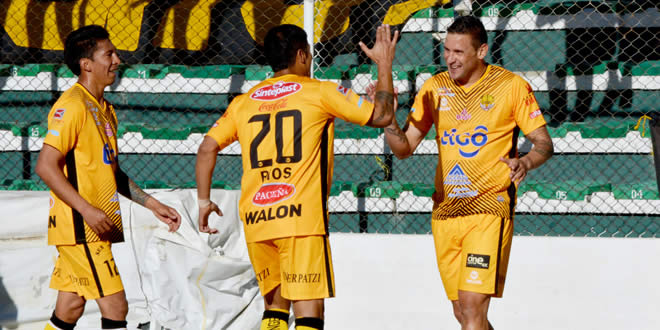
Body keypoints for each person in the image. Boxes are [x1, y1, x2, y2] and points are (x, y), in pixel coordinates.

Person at [195, 24, 397, 330]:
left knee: (274, 310)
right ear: (302, 55)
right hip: (300, 218)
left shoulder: (244, 102)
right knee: (309, 314)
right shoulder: (320, 91)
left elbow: (206, 148)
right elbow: (381, 115)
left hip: (258, 219)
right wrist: (383, 65)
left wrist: (203, 201)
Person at [383, 16, 553, 330]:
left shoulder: (510, 86)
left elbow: (543, 143)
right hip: (446, 212)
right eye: (447, 50)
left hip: (490, 208)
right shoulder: (435, 88)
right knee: (463, 313)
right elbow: (404, 148)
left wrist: (526, 162)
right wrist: (389, 120)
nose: (450, 57)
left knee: (473, 307)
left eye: (459, 52)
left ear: (482, 51)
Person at [36, 25, 181, 330]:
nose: (117, 59)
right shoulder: (72, 105)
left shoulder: (105, 109)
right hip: (81, 227)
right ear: (86, 64)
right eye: (109, 54)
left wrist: (152, 204)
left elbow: (110, 172)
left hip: (89, 227)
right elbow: (46, 166)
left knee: (71, 306)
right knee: (116, 306)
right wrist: (86, 209)